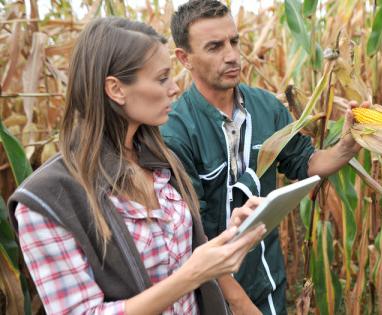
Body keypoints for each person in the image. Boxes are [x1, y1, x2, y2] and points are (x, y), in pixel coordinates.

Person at [8, 17, 266, 315]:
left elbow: (187, 249)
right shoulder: (47, 200)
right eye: (161, 79)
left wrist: (232, 236)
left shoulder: (160, 161)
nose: (174, 89)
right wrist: (192, 275)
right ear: (116, 89)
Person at [161, 1, 365, 314]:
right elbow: (191, 235)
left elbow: (306, 162)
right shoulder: (176, 131)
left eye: (234, 41)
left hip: (265, 277)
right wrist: (239, 303)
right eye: (214, 47)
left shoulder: (266, 108)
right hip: (208, 293)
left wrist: (347, 146)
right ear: (184, 58)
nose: (230, 55)